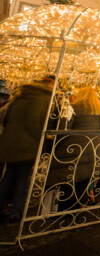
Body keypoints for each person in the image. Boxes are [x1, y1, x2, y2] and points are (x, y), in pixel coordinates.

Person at [47, 87, 100, 211]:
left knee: (70, 176)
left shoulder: (74, 108)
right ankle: (81, 203)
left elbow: (64, 128)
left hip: (75, 147)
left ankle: (66, 207)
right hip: (95, 147)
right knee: (86, 177)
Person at [0, 78, 53, 223]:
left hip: (10, 142)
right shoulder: (41, 99)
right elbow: (34, 123)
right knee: (22, 179)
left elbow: (7, 120)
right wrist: (41, 140)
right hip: (27, 144)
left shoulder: (19, 98)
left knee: (8, 177)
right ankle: (16, 211)